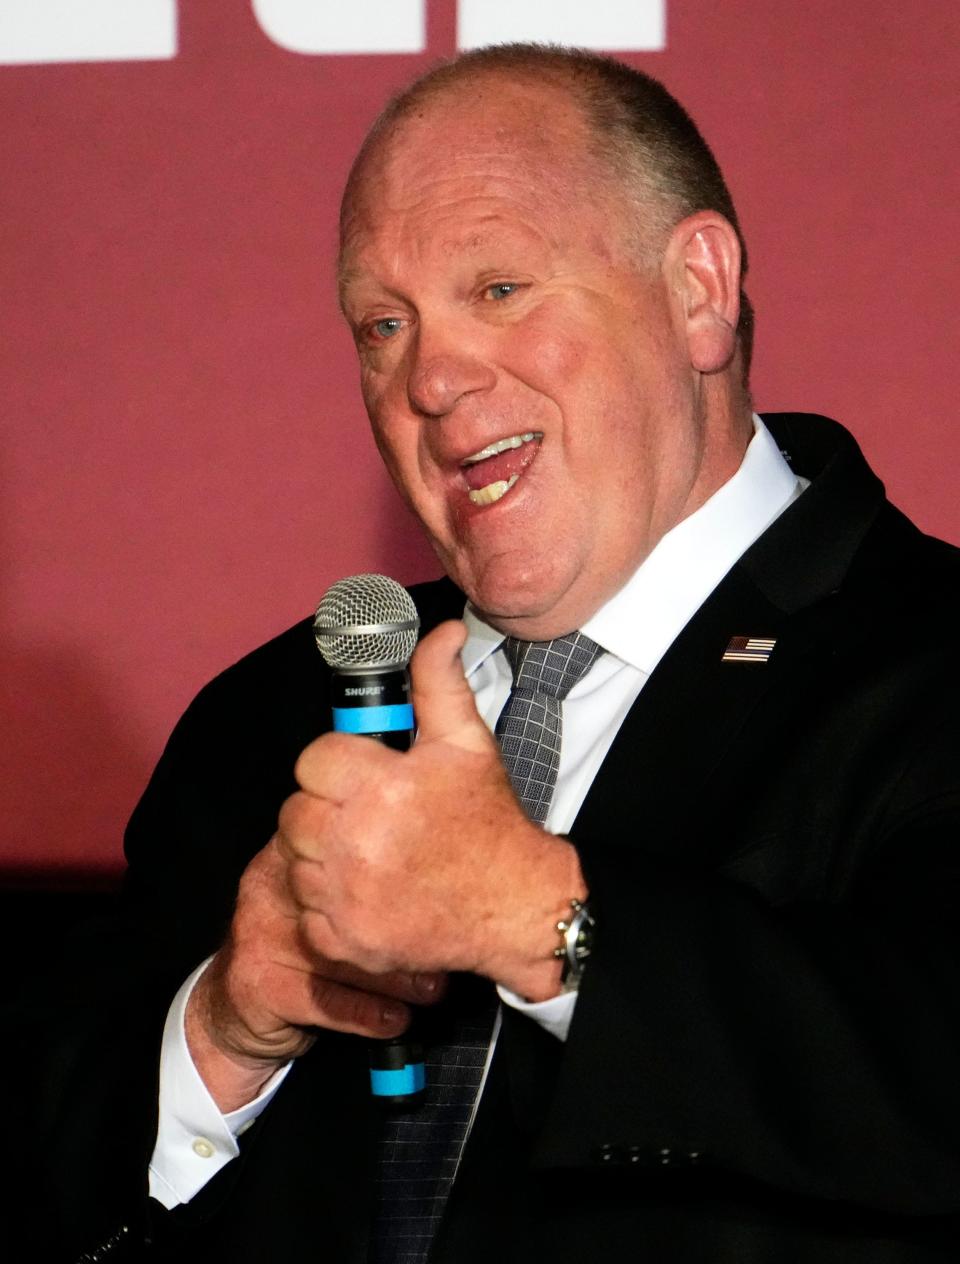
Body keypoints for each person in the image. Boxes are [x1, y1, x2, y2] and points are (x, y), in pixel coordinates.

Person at [16, 43, 960, 1263]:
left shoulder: (927, 659)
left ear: (698, 288)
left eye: (500, 288)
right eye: (383, 323)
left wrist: (547, 921)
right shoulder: (279, 716)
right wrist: (225, 1028)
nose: (432, 376)